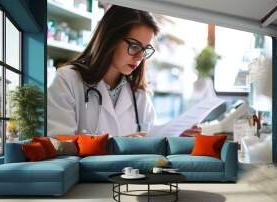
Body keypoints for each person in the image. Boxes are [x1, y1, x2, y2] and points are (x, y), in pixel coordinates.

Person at [47, 5, 201, 137]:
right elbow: (60, 143)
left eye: (145, 49)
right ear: (110, 38)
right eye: (134, 46)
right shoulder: (68, 79)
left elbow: (153, 140)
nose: (140, 57)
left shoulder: (138, 93)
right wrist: (120, 144)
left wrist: (177, 137)